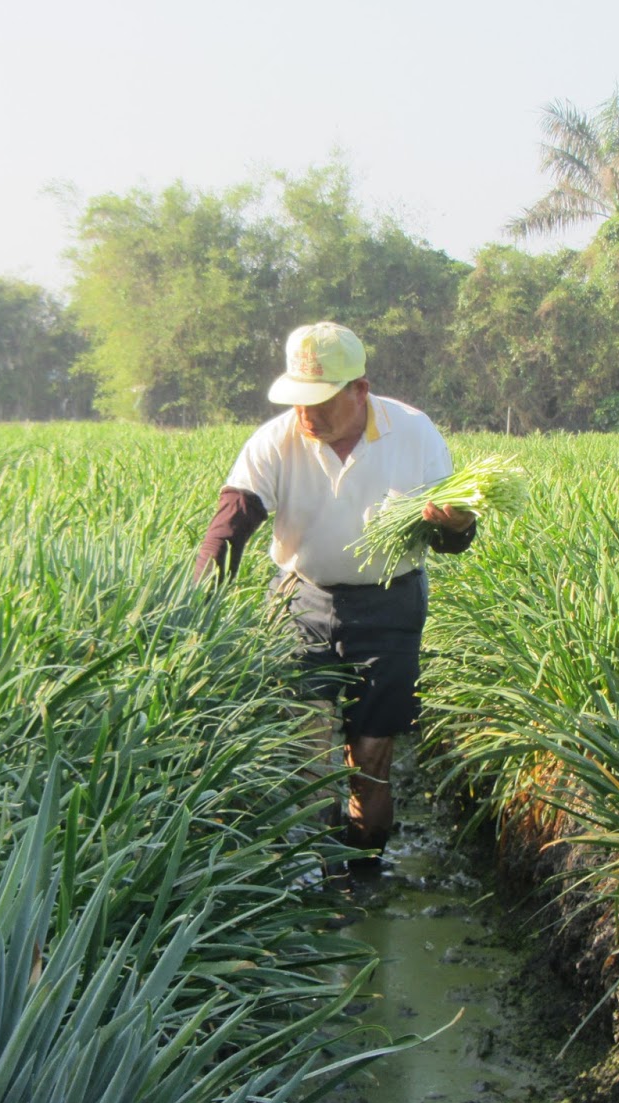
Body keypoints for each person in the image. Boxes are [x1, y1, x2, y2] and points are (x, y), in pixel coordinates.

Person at [195, 321, 475, 874]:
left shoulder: (414, 434)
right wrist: (190, 606)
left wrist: (456, 525)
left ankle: (364, 866)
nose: (307, 414)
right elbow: (231, 526)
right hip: (302, 601)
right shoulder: (276, 440)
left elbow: (452, 539)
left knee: (370, 758)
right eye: (298, 400)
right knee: (310, 748)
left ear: (359, 390)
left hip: (390, 606)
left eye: (320, 400)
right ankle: (325, 861)